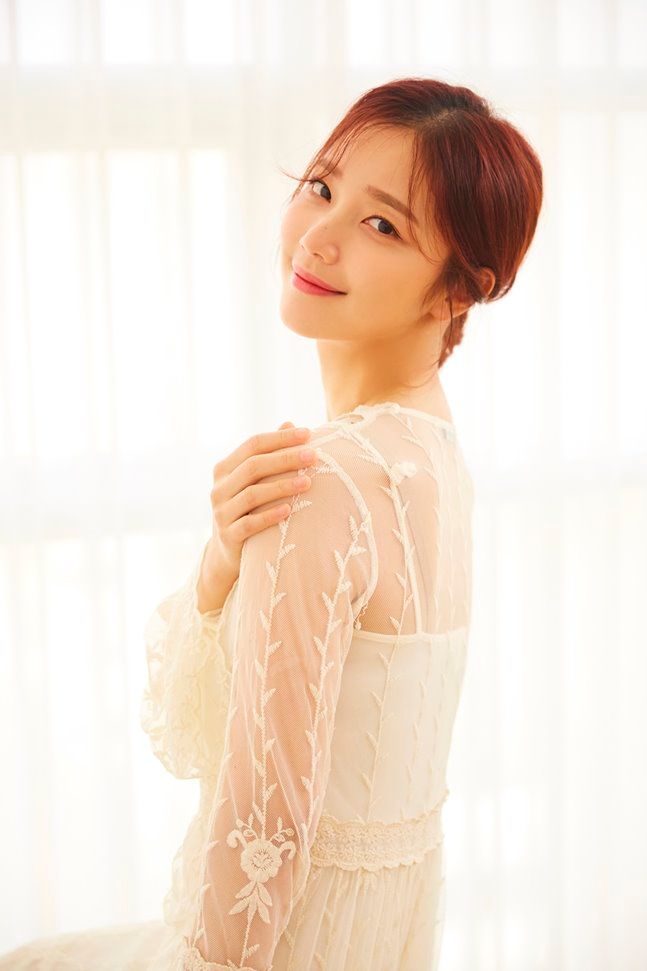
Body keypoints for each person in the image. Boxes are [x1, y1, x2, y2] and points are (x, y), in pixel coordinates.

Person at [0, 76, 542, 970]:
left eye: (382, 225)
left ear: (456, 291)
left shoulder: (322, 482)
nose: (319, 236)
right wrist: (223, 561)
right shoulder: (436, 455)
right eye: (321, 187)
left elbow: (265, 822)